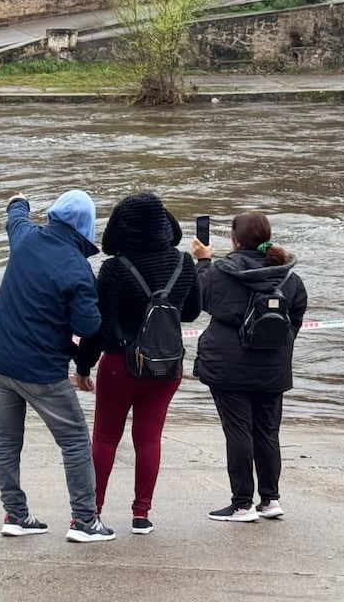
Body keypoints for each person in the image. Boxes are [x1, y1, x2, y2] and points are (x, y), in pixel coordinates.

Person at [0, 189, 115, 543]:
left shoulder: (26, 237)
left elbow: (16, 217)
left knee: (7, 440)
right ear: (87, 226)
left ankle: (15, 514)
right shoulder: (77, 268)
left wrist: (18, 200)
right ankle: (85, 521)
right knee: (74, 441)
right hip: (40, 369)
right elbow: (89, 326)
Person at [74, 193, 201, 536]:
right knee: (149, 439)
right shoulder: (184, 263)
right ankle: (141, 515)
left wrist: (83, 367)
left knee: (104, 438)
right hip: (168, 366)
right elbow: (189, 313)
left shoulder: (115, 268)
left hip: (120, 366)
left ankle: (90, 514)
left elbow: (100, 327)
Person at [191, 211, 307, 522]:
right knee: (268, 432)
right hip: (273, 366)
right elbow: (295, 320)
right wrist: (275, 347)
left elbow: (198, 300)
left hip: (227, 366)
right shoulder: (288, 277)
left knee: (238, 431)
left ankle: (242, 503)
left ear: (235, 239)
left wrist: (203, 261)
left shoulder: (219, 272)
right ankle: (269, 499)